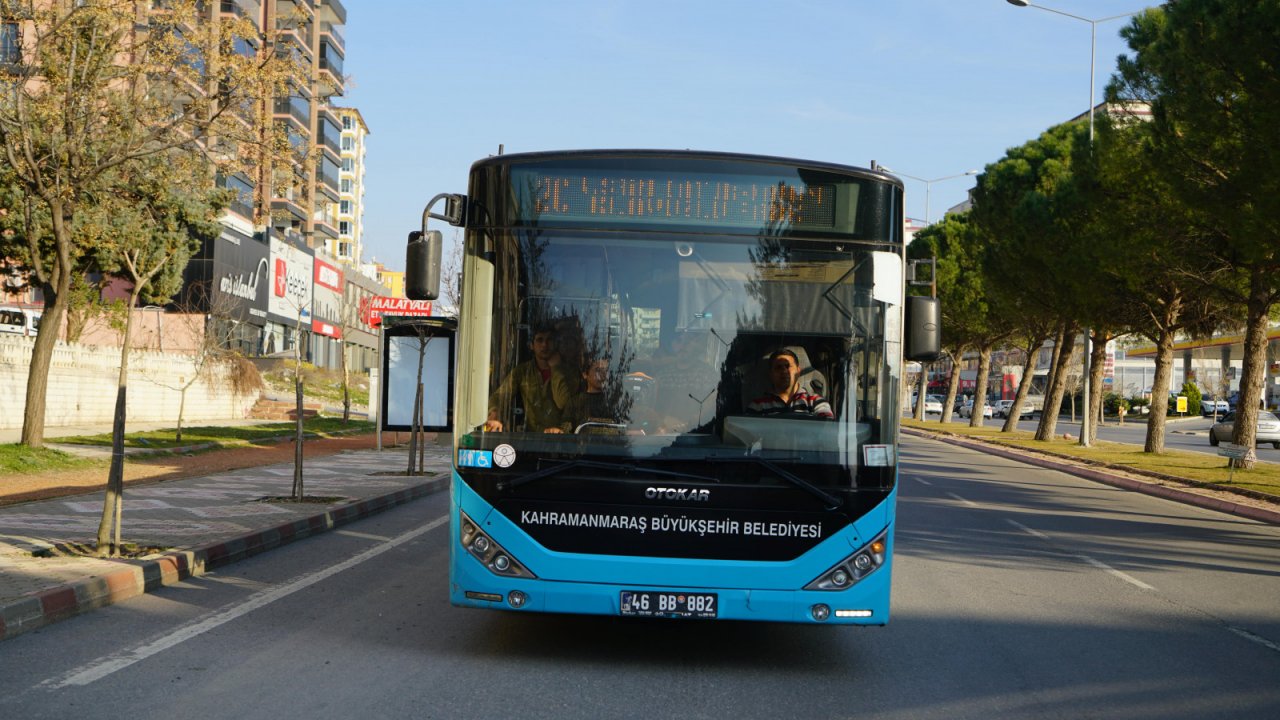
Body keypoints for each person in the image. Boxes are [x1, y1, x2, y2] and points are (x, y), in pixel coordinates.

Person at [483, 325, 575, 432]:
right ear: (532, 345)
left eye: (549, 340)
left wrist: (556, 369)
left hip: (562, 438)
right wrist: (494, 413)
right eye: (540, 340)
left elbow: (563, 402)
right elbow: (501, 395)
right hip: (532, 438)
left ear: (556, 344)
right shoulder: (522, 371)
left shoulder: (570, 372)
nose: (544, 345)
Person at [746, 348, 834, 418]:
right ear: (771, 374)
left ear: (798, 371)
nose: (784, 371)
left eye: (788, 366)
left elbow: (827, 428)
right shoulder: (757, 406)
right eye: (778, 367)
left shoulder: (815, 401)